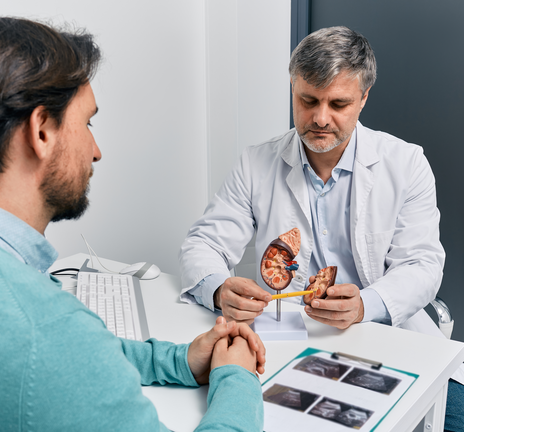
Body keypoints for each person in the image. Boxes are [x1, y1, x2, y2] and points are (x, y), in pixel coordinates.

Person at [0, 16, 266, 431]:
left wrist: (176, 361)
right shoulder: (45, 334)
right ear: (41, 131)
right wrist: (235, 375)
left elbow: (48, 358)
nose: (95, 151)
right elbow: (55, 353)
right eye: (87, 123)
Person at [178, 26, 463, 431]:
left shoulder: (406, 164)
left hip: (386, 339)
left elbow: (422, 265)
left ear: (363, 99)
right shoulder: (256, 163)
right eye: (307, 100)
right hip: (284, 340)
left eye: (338, 103)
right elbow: (203, 244)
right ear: (292, 89)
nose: (320, 118)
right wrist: (220, 288)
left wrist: (366, 305)